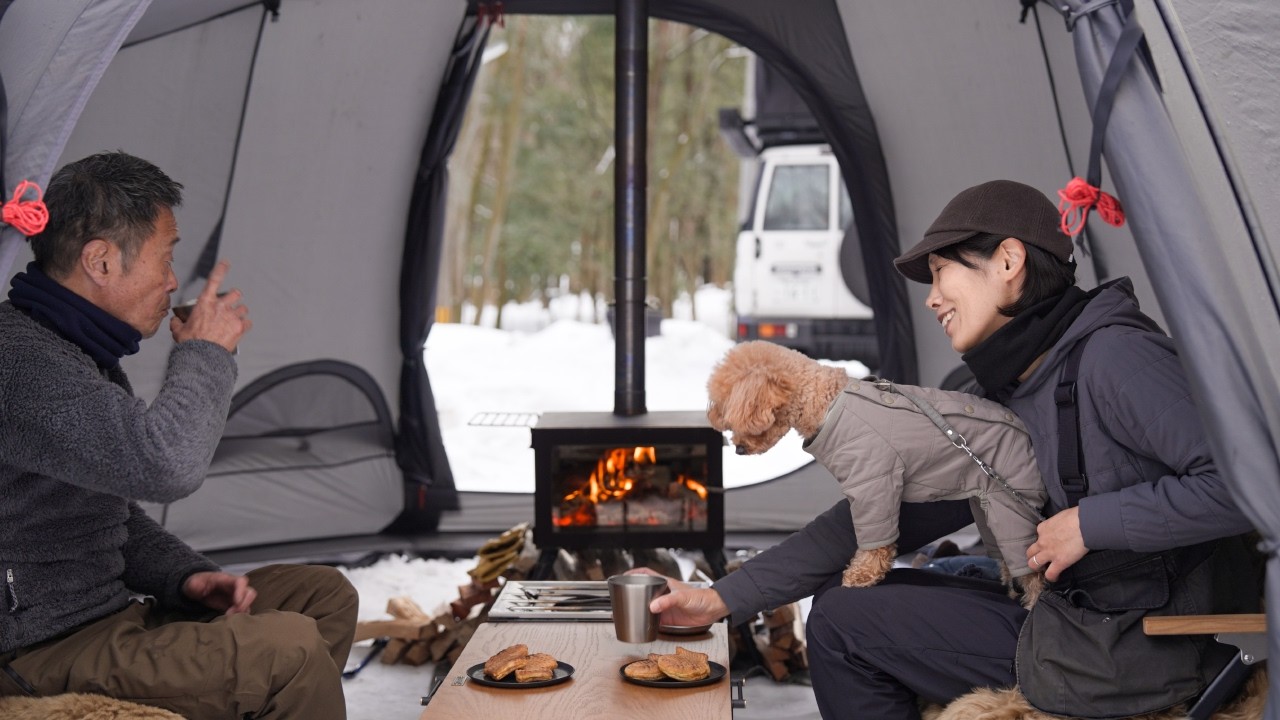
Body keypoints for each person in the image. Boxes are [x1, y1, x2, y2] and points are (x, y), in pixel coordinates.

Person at [646, 179, 1260, 718]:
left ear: (1009, 260)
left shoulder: (1116, 358)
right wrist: (720, 598)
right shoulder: (1001, 389)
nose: (932, 296)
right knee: (855, 598)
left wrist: (1089, 524)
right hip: (1070, 616)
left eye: (942, 271)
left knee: (840, 625)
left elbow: (1250, 490)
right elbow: (864, 526)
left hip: (1132, 646)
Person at [0, 152, 358, 719]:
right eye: (165, 259)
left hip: (107, 615)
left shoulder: (74, 349)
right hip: (40, 646)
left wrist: (186, 576)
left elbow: (103, 512)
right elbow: (166, 466)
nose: (172, 280)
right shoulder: (20, 362)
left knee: (323, 596)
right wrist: (205, 353)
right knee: (287, 650)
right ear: (100, 260)